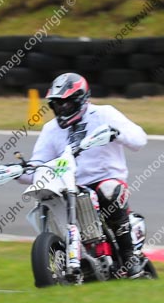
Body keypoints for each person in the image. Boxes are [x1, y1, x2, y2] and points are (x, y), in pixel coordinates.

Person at [20, 73, 148, 278]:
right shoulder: (50, 129)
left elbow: (140, 139)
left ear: (80, 99)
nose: (62, 108)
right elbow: (39, 164)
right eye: (57, 104)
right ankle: (67, 252)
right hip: (68, 184)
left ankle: (129, 256)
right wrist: (20, 171)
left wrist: (117, 133)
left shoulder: (104, 114)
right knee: (46, 200)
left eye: (67, 103)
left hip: (105, 179)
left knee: (109, 191)